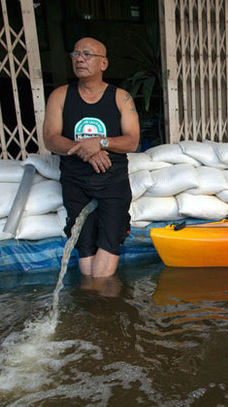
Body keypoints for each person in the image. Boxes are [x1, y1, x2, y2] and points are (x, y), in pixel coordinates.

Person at [43, 37, 140, 278]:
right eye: (75, 54)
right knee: (84, 244)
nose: (80, 59)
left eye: (87, 54)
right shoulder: (60, 96)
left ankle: (97, 302)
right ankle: (94, 301)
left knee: (109, 240)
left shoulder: (121, 97)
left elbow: (132, 141)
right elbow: (51, 138)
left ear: (103, 63)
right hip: (75, 180)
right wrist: (87, 151)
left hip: (112, 179)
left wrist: (101, 142)